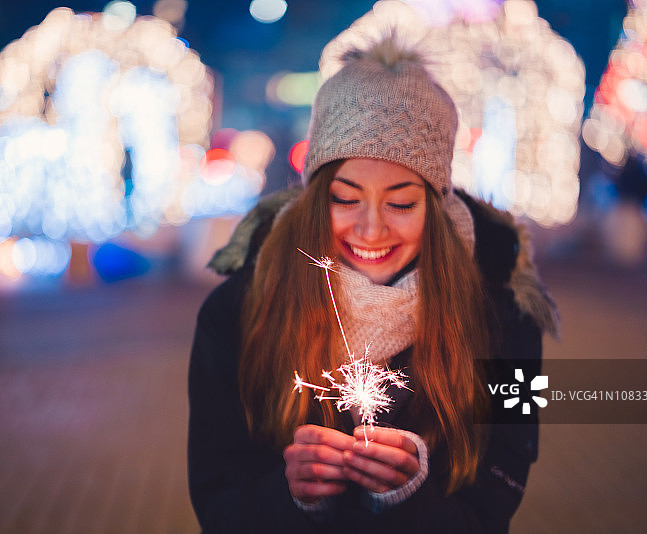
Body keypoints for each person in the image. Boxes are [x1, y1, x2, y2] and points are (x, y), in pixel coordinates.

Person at [188, 34, 558, 534]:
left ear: (438, 204)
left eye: (402, 202)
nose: (370, 230)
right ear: (318, 197)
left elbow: (499, 496)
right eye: (346, 198)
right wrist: (290, 497)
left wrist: (411, 498)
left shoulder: (509, 320)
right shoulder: (234, 313)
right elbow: (218, 500)